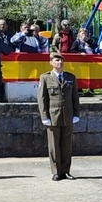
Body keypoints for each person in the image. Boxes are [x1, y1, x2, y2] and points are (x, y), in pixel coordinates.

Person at [37, 52, 81, 181]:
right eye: (56, 60)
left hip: (67, 116)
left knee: (67, 145)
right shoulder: (45, 78)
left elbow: (75, 98)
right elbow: (42, 99)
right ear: (51, 62)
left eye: (61, 60)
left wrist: (76, 114)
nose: (60, 63)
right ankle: (56, 171)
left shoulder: (70, 77)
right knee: (54, 146)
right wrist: (44, 116)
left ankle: (66, 171)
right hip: (53, 116)